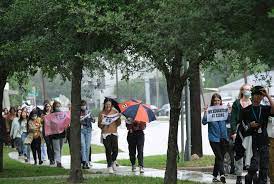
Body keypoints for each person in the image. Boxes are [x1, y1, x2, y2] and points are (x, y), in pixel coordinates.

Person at [235, 86, 274, 184]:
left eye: (261, 95)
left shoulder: (264, 109)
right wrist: (249, 125)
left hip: (263, 141)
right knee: (254, 166)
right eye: (257, 95)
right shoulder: (245, 110)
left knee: (264, 167)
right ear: (252, 96)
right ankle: (249, 176)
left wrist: (267, 96)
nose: (259, 97)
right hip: (252, 141)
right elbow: (240, 127)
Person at [202, 93, 230, 184]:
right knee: (219, 156)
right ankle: (222, 174)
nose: (217, 102)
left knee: (218, 158)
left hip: (223, 137)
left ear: (221, 101)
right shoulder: (210, 111)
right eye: (215, 100)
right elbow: (204, 122)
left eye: (218, 100)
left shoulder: (223, 110)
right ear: (212, 102)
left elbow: (229, 120)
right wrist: (205, 112)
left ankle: (214, 176)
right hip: (213, 138)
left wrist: (229, 111)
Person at [230, 84, 252, 183]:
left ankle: (250, 174)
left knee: (250, 152)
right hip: (239, 130)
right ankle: (238, 176)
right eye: (246, 89)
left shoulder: (254, 103)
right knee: (239, 153)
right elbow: (233, 119)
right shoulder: (236, 103)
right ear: (242, 91)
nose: (248, 91)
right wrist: (234, 132)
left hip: (251, 130)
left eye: (249, 89)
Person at [98, 98, 121, 174]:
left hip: (114, 132)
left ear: (111, 105)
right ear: (104, 105)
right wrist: (103, 122)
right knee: (108, 149)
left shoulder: (115, 112)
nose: (108, 106)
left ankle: (113, 161)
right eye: (107, 104)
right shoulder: (101, 113)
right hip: (105, 133)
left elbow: (118, 123)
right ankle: (109, 166)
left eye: (109, 105)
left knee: (115, 150)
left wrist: (118, 117)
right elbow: (99, 125)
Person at [49, 101, 65, 168]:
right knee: (56, 149)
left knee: (60, 148)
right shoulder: (51, 115)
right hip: (55, 134)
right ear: (54, 107)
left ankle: (59, 160)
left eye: (59, 106)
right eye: (57, 106)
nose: (58, 107)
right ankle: (58, 162)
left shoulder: (62, 114)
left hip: (62, 134)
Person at [80, 100, 95, 169]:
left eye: (84, 105)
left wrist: (92, 118)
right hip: (81, 130)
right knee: (83, 145)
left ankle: (87, 161)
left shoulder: (89, 112)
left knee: (87, 146)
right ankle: (83, 161)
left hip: (88, 130)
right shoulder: (78, 112)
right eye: (82, 105)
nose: (83, 106)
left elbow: (93, 121)